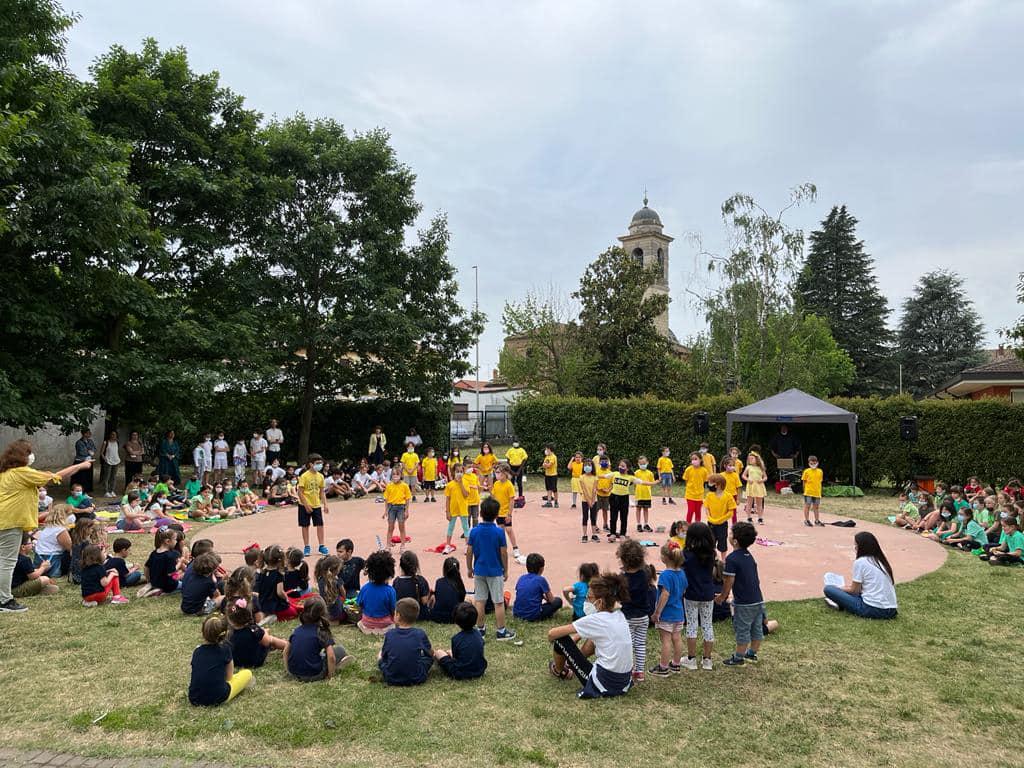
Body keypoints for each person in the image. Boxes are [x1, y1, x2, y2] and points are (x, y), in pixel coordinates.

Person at [0, 440, 91, 613]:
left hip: (5, 520)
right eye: (29, 452)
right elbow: (55, 477)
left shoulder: (5, 473)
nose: (31, 456)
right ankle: (4, 600)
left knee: (3, 560)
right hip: (9, 522)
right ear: (22, 456)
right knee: (7, 562)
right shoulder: (21, 472)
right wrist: (80, 466)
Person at [547, 572, 634, 699]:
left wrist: (568, 643)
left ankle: (559, 671)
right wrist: (577, 637)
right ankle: (570, 665)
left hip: (604, 684)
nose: (586, 601)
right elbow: (590, 634)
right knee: (593, 639)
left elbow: (552, 634)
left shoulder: (596, 619)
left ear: (600, 602)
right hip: (624, 682)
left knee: (560, 640)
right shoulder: (620, 615)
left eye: (588, 598)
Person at [466, 496, 516, 640]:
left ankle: (480, 629)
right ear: (496, 515)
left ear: (481, 513)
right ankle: (501, 631)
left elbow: (469, 551)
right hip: (495, 571)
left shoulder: (474, 531)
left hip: (479, 570)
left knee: (480, 600)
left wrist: (469, 568)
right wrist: (506, 569)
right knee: (498, 602)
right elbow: (503, 553)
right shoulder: (499, 532)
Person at [716, 522, 765, 665]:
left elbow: (729, 581)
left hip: (744, 603)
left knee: (742, 629)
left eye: (731, 534)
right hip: (758, 600)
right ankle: (752, 653)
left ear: (735, 541)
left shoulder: (732, 559)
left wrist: (722, 596)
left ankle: (738, 657)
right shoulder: (749, 556)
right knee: (756, 629)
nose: (729, 535)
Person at [823, 531, 898, 619]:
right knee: (846, 593)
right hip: (891, 610)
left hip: (873, 609)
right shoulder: (880, 561)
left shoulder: (860, 562)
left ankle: (839, 602)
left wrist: (839, 588)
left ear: (861, 547)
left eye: (856, 546)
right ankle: (840, 602)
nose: (855, 548)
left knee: (829, 589)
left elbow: (855, 590)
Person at [189, 614, 253, 706]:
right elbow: (229, 677)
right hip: (219, 697)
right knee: (247, 673)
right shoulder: (225, 650)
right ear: (225, 634)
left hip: (194, 697)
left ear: (203, 632)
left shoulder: (197, 651)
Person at [285, 596, 353, 682]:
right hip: (314, 674)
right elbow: (331, 657)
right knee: (340, 650)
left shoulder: (296, 630)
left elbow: (285, 651)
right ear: (323, 613)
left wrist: (289, 671)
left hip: (294, 673)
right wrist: (330, 676)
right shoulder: (322, 632)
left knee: (317, 653)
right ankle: (337, 665)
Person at [682, 522, 718, 670]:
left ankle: (691, 659)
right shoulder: (712, 554)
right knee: (707, 625)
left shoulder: (686, 555)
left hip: (691, 593)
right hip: (708, 594)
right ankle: (707, 660)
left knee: (692, 625)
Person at [649, 544, 687, 676]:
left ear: (665, 558)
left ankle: (663, 667)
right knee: (677, 638)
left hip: (666, 613)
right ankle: (676, 664)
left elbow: (665, 594)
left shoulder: (665, 575)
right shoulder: (682, 573)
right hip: (679, 612)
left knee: (666, 640)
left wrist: (657, 612)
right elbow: (683, 590)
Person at [379, 597, 434, 686]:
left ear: (398, 615)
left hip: (391, 677)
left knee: (380, 658)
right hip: (417, 677)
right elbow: (430, 653)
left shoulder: (390, 634)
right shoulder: (420, 633)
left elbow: (384, 656)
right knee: (428, 659)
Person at [617, 539, 650, 682]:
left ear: (623, 559)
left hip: (628, 617)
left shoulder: (622, 578)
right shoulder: (645, 574)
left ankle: (628, 670)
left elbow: (618, 596)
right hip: (643, 616)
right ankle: (640, 671)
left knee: (628, 644)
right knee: (640, 644)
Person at [226, 597, 289, 669]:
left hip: (237, 662)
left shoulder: (229, 633)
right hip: (255, 661)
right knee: (270, 639)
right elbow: (267, 642)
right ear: (249, 614)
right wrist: (265, 632)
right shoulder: (253, 629)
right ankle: (288, 646)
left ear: (229, 619)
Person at [434, 602, 487, 679]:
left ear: (456, 622)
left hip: (460, 673)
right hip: (479, 670)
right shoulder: (478, 634)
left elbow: (455, 658)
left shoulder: (456, 638)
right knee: (450, 651)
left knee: (439, 652)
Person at [357, 550, 398, 635]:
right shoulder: (390, 591)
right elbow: (392, 609)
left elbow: (360, 606)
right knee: (393, 625)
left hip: (366, 624)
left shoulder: (365, 588)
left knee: (360, 623)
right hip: (385, 625)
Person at [513, 552, 563, 621]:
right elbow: (551, 600)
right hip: (533, 616)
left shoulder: (521, 578)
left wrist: (541, 596)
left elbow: (525, 592)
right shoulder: (541, 580)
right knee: (558, 601)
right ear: (541, 568)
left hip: (517, 614)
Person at [297, 453, 330, 557]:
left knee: (320, 525)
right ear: (311, 464)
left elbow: (322, 492)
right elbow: (300, 492)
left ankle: (321, 545)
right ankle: (307, 546)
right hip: (304, 505)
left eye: (321, 463)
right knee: (305, 525)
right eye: (317, 463)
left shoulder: (321, 476)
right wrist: (306, 505)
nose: (320, 465)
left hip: (316, 505)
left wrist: (325, 504)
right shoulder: (304, 476)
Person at [12, 533, 59, 599]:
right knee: (45, 579)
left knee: (54, 588)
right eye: (30, 543)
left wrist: (40, 570)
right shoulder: (25, 559)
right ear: (23, 547)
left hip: (11, 587)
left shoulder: (14, 557)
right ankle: (33, 590)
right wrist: (43, 567)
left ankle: (36, 590)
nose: (32, 545)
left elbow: (29, 571)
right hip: (15, 589)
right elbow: (33, 576)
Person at [257, 544, 297, 621]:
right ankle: (274, 616)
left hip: (263, 604)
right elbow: (280, 592)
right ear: (280, 560)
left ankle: (267, 614)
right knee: (294, 612)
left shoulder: (262, 572)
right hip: (276, 606)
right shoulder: (278, 574)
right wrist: (286, 598)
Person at [34, 503, 72, 578]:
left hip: (39, 557)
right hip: (52, 559)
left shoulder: (48, 527)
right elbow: (70, 548)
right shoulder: (60, 530)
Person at [704, 474, 737, 555]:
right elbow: (707, 508)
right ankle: (712, 558)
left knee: (723, 544)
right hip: (711, 524)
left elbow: (731, 512)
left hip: (722, 525)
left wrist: (720, 520)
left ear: (718, 485)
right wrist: (710, 518)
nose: (709, 485)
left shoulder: (728, 496)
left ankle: (723, 560)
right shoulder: (709, 495)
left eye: (711, 483)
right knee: (710, 543)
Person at [442, 464, 471, 555]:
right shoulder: (450, 485)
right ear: (453, 472)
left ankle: (467, 545)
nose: (459, 473)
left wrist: (461, 483)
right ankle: (448, 545)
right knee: (450, 527)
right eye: (457, 471)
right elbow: (448, 499)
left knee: (466, 527)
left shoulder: (466, 482)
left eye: (461, 472)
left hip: (463, 509)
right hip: (453, 510)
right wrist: (447, 512)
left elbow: (466, 495)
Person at [394, 551, 432, 616]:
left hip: (402, 615)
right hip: (419, 615)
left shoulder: (396, 581)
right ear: (416, 565)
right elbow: (424, 601)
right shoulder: (420, 580)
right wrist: (430, 594)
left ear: (401, 566)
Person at [383, 468, 412, 553]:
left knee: (401, 527)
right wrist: (385, 511)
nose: (395, 476)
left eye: (397, 474)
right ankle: (388, 546)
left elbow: (407, 499)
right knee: (390, 527)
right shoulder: (389, 486)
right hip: (391, 508)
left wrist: (406, 511)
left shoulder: (404, 486)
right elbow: (386, 499)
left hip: (401, 508)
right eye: (393, 474)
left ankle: (403, 546)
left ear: (401, 475)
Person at [430, 556, 467, 623]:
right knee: (469, 601)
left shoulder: (439, 581)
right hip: (455, 617)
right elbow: (461, 600)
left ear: (444, 569)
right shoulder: (459, 583)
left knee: (433, 597)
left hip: (437, 617)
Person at [682, 453, 709, 524]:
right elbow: (686, 480)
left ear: (700, 460)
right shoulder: (688, 469)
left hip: (699, 495)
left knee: (698, 511)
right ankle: (688, 526)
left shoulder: (704, 470)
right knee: (690, 511)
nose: (694, 461)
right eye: (692, 459)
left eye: (696, 459)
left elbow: (705, 481)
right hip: (690, 494)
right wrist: (690, 488)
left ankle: (697, 526)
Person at [742, 453, 767, 525]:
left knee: (759, 503)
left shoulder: (761, 468)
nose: (750, 460)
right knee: (749, 503)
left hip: (759, 486)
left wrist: (762, 480)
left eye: (752, 458)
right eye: (749, 459)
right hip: (751, 486)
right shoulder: (748, 467)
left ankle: (760, 518)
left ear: (757, 459)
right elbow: (743, 475)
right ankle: (749, 518)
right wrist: (748, 479)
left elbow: (765, 477)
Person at [578, 461, 599, 543]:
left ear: (592, 467)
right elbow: (584, 490)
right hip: (585, 500)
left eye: (589, 465)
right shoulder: (582, 477)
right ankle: (585, 535)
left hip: (594, 501)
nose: (587, 467)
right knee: (585, 517)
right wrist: (588, 501)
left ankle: (594, 535)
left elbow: (594, 490)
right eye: (585, 465)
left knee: (593, 517)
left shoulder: (595, 477)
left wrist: (592, 500)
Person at [634, 456, 656, 533]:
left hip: (647, 495)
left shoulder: (650, 473)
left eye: (644, 463)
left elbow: (652, 483)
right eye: (641, 464)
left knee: (646, 509)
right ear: (638, 464)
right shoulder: (636, 473)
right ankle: (638, 524)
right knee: (638, 509)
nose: (642, 465)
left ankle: (646, 524)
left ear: (647, 463)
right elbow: (634, 484)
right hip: (639, 495)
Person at [97, 430, 122, 497]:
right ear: (110, 435)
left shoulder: (117, 442)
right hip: (108, 462)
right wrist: (105, 459)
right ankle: (106, 491)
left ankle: (112, 490)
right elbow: (101, 453)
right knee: (107, 477)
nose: (113, 436)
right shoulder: (106, 442)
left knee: (113, 477)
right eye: (112, 434)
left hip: (116, 461)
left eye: (115, 434)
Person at [802, 455, 825, 527]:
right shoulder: (806, 471)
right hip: (808, 492)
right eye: (811, 463)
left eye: (814, 463)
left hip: (817, 492)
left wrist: (820, 491)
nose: (813, 465)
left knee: (816, 507)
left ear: (817, 463)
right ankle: (806, 520)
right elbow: (804, 481)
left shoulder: (820, 471)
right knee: (807, 506)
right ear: (809, 463)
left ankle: (817, 520)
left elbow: (820, 481)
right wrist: (804, 490)